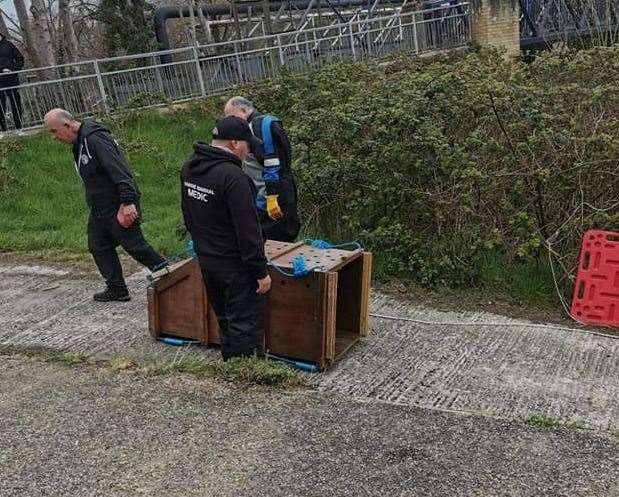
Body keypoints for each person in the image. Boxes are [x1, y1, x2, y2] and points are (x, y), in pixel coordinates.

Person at [43, 108, 167, 302]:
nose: (54, 137)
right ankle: (117, 288)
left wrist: (127, 201)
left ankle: (173, 276)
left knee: (136, 247)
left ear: (67, 125)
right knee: (98, 245)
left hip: (117, 204)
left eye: (53, 131)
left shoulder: (95, 139)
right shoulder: (79, 142)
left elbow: (119, 169)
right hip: (99, 207)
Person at [181, 116, 271, 360]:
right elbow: (248, 230)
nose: (249, 150)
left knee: (225, 318)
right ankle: (243, 374)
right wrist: (260, 271)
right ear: (234, 143)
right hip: (236, 266)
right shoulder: (234, 178)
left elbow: (188, 215)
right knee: (244, 324)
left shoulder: (190, 168)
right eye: (247, 145)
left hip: (208, 261)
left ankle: (230, 363)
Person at [224, 96, 300, 242]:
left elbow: (271, 162)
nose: (232, 122)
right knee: (284, 234)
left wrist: (271, 196)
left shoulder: (259, 126)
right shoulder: (264, 123)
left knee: (272, 238)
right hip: (281, 188)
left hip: (270, 195)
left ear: (244, 109)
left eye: (232, 116)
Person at [0, 32, 25, 135]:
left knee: (16, 104)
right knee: (1, 107)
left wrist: (13, 69)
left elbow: (20, 59)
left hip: (11, 79)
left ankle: (19, 129)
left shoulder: (9, 45)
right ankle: (3, 131)